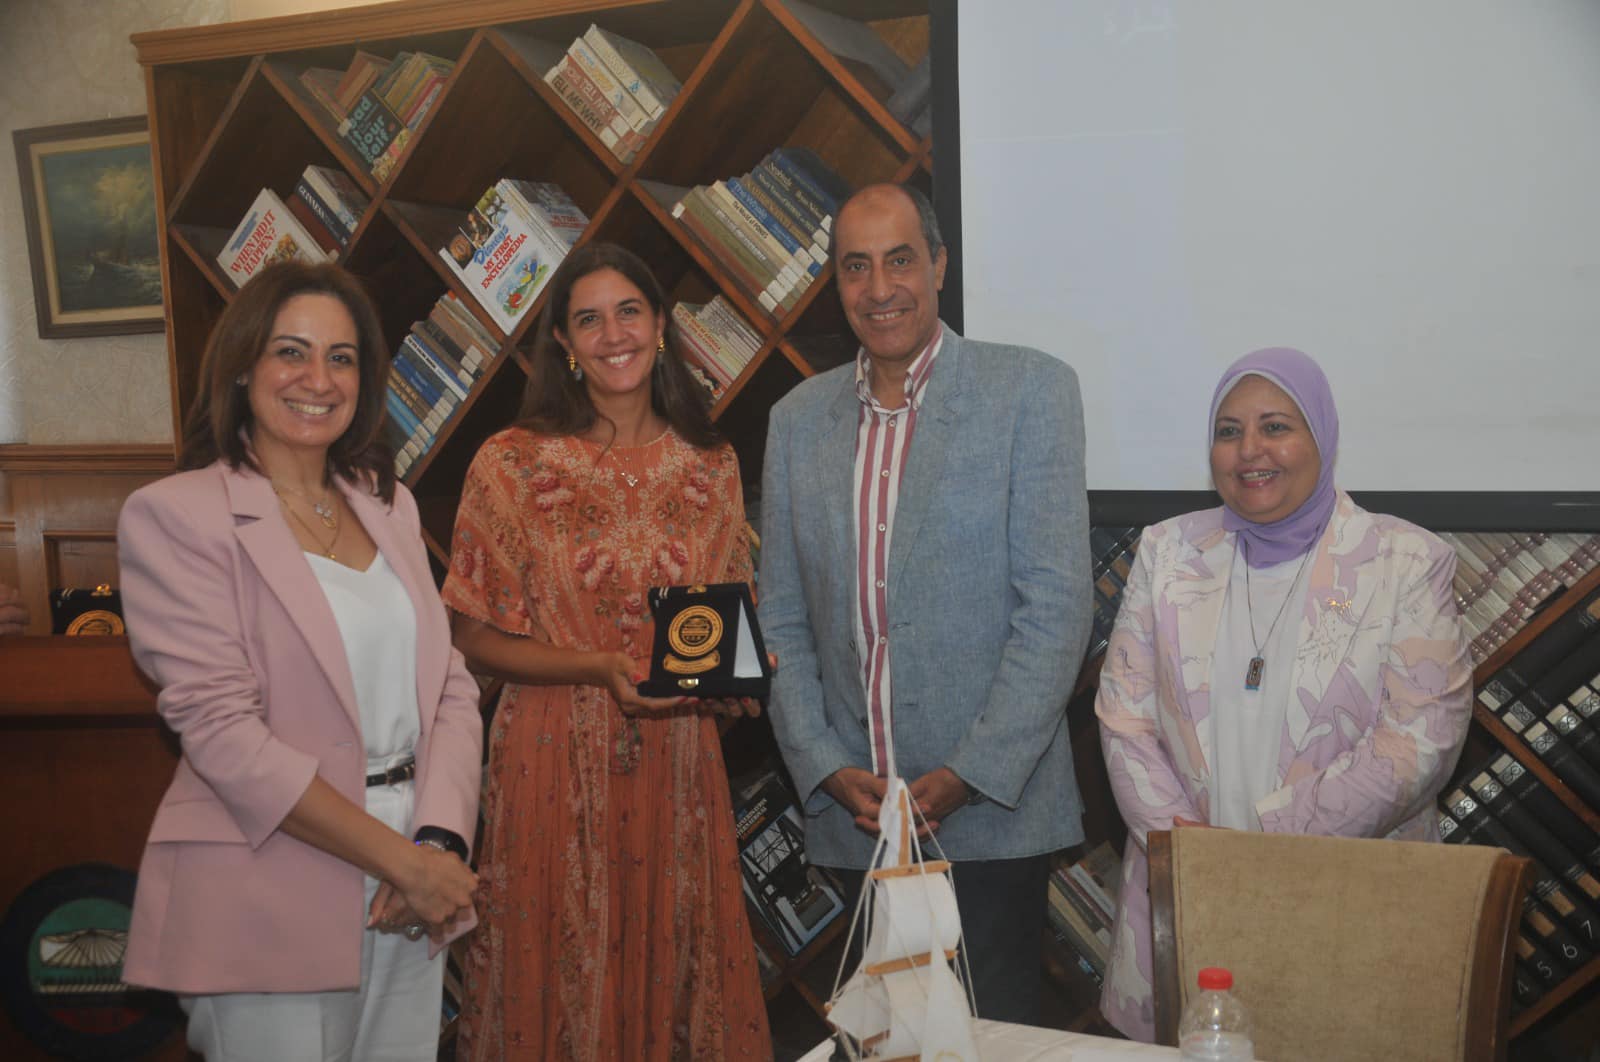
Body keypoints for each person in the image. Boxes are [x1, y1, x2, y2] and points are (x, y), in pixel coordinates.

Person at [116, 261, 483, 1060]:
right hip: (268, 879)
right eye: (292, 352)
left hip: (412, 880)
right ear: (242, 367)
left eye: (341, 358)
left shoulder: (388, 503)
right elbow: (223, 735)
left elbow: (449, 689)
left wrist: (439, 843)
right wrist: (403, 862)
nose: (318, 379)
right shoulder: (176, 516)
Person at [758, 182, 1093, 1024]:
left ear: (939, 265)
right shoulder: (796, 421)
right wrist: (823, 765)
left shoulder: (1030, 392)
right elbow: (783, 619)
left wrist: (966, 775)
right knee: (881, 1044)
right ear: (836, 284)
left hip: (988, 817)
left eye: (900, 260)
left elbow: (1055, 610)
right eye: (856, 267)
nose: (880, 289)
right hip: (857, 821)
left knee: (989, 1043)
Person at [442, 242, 771, 1061]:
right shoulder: (510, 463)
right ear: (562, 341)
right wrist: (595, 667)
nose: (612, 334)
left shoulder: (713, 464)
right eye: (588, 319)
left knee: (673, 962)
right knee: (556, 976)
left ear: (660, 325)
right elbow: (471, 632)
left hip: (678, 764)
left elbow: (722, 623)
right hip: (549, 759)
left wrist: (739, 675)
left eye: (629, 312)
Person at [1095, 347, 1472, 1040]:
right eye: (1229, 431)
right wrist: (1191, 856)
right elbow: (1125, 720)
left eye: (1276, 426)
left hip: (1350, 900)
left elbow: (1420, 740)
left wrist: (1267, 850)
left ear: (1321, 437)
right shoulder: (1166, 552)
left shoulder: (1406, 562)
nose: (1250, 451)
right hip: (1187, 897)